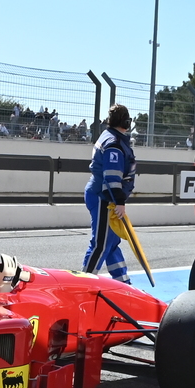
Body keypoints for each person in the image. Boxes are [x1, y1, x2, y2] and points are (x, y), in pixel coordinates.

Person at [82, 103, 137, 283]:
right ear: (126, 122)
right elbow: (112, 177)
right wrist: (120, 202)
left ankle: (123, 283)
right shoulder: (114, 143)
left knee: (111, 244)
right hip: (104, 197)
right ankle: (84, 283)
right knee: (101, 244)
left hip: (103, 196)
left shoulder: (110, 136)